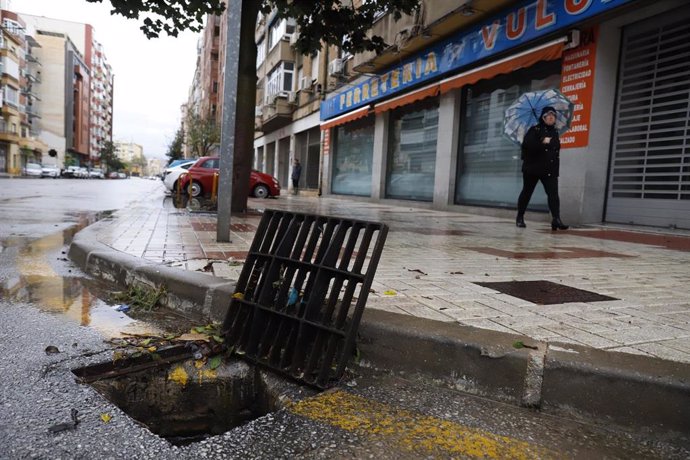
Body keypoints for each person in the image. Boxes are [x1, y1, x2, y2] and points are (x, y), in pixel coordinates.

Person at [516, 106, 569, 230]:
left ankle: (556, 219)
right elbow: (526, 146)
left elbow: (555, 152)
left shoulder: (555, 132)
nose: (551, 118)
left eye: (553, 116)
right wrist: (541, 142)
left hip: (549, 169)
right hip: (533, 169)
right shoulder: (534, 130)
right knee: (527, 192)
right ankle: (520, 216)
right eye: (548, 116)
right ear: (543, 118)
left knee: (553, 195)